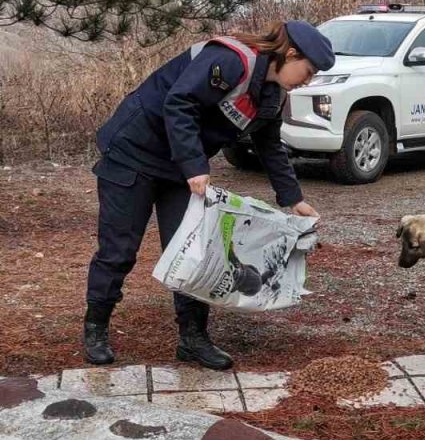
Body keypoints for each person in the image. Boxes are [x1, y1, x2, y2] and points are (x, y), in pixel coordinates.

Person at [84, 20, 335, 369]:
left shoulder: (273, 94)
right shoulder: (232, 60)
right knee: (119, 249)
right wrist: (195, 165)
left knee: (194, 250)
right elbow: (180, 103)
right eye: (307, 72)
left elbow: (269, 144)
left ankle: (193, 339)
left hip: (182, 169)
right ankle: (96, 328)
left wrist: (293, 198)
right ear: (290, 53)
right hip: (135, 152)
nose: (306, 81)